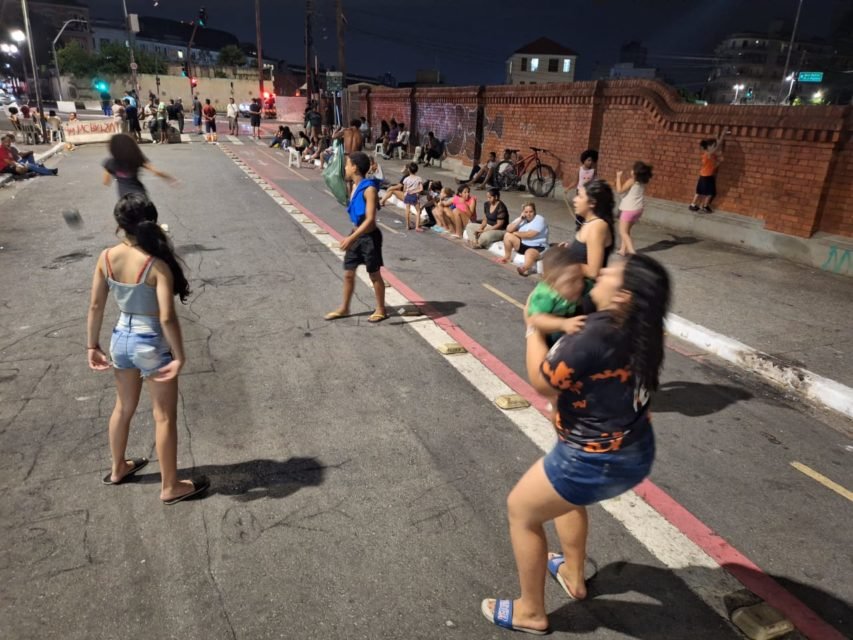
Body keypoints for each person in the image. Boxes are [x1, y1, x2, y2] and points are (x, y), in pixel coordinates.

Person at [481, 254, 671, 636]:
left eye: (610, 273)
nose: (599, 273)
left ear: (623, 296)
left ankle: (530, 612)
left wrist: (533, 327)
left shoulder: (595, 332)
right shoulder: (643, 329)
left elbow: (542, 380)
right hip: (633, 450)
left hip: (592, 459)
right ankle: (573, 573)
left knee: (522, 511)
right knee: (567, 500)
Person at [87, 193, 210, 505]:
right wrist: (180, 355)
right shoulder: (157, 266)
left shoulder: (105, 258)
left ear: (119, 225)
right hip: (150, 341)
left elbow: (96, 305)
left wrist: (92, 345)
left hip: (119, 339)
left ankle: (118, 468)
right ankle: (170, 486)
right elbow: (167, 317)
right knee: (164, 417)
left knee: (123, 408)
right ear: (152, 222)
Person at [324, 151, 388, 324]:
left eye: (347, 164)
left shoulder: (370, 189)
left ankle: (381, 309)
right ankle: (344, 308)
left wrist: (350, 239)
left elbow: (370, 220)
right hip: (356, 235)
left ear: (355, 167)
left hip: (369, 238)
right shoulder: (353, 186)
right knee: (348, 273)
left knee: (374, 275)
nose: (345, 167)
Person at [525, 247, 589, 346]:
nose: (579, 284)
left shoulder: (582, 286)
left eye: (580, 277)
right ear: (551, 283)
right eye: (571, 281)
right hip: (550, 331)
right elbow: (535, 319)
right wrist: (563, 324)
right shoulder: (546, 294)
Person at [562, 180, 615, 281]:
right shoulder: (588, 222)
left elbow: (593, 271)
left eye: (580, 196)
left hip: (586, 290)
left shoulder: (597, 226)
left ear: (592, 203)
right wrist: (571, 248)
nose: (574, 199)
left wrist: (564, 261)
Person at [102, 133, 176, 198]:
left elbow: (106, 182)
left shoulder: (110, 162)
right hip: (140, 195)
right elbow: (157, 172)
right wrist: (170, 179)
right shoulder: (137, 158)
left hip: (125, 200)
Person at [500, 201, 549, 276]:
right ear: (523, 212)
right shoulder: (522, 219)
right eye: (526, 212)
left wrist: (516, 233)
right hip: (524, 244)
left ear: (534, 212)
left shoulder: (540, 219)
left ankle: (524, 268)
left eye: (531, 212)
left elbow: (530, 234)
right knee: (507, 235)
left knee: (529, 252)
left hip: (538, 247)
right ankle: (507, 257)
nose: (528, 214)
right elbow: (508, 229)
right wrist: (520, 219)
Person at [615, 161, 653, 256]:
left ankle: (632, 252)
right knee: (627, 231)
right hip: (638, 209)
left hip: (629, 209)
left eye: (633, 169)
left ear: (635, 172)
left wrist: (618, 177)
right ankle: (623, 250)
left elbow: (619, 190)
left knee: (623, 232)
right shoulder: (642, 182)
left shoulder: (632, 181)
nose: (631, 171)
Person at [689, 130, 726, 213]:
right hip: (706, 176)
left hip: (705, 175)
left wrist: (719, 162)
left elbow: (714, 162)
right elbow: (718, 146)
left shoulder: (710, 155)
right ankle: (703, 206)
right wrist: (722, 135)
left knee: (701, 191)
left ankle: (694, 205)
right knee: (710, 192)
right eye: (713, 146)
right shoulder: (707, 154)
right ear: (709, 147)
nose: (714, 147)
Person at [401, 161, 424, 231]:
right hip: (415, 196)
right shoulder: (419, 178)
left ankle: (407, 226)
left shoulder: (406, 179)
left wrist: (406, 193)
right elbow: (421, 189)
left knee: (407, 210)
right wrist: (414, 191)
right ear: (416, 170)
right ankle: (417, 227)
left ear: (408, 170)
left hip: (408, 195)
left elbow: (404, 189)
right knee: (418, 211)